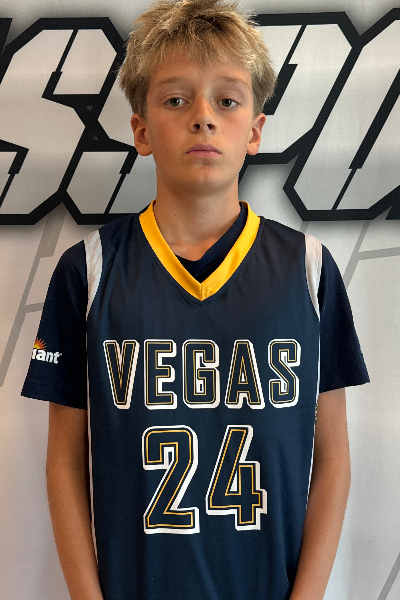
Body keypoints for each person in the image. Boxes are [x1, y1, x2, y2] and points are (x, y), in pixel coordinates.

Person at [21, 1, 369, 599]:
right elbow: (65, 460)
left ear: (255, 130)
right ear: (141, 131)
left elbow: (333, 456)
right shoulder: (89, 270)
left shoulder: (308, 269)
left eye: (227, 100)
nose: (203, 118)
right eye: (177, 99)